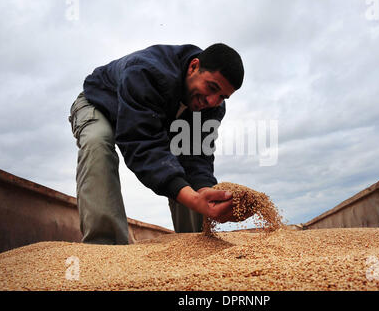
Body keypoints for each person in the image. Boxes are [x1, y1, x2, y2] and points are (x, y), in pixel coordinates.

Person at [68, 43, 248, 244]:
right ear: (193, 67)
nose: (212, 100)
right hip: (99, 103)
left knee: (196, 186)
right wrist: (190, 197)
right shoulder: (146, 72)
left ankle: (196, 243)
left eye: (223, 97)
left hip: (152, 115)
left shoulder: (211, 108)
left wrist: (205, 192)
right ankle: (105, 247)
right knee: (97, 142)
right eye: (212, 87)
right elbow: (142, 143)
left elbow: (196, 155)